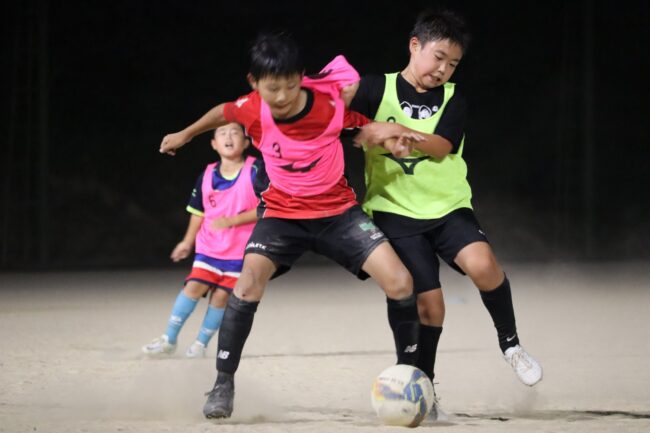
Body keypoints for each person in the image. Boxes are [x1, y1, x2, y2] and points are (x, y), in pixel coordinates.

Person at [160, 32, 425, 419]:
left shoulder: (330, 106)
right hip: (282, 215)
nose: (282, 96)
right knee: (246, 284)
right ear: (254, 83)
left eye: (289, 85)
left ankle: (409, 377)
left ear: (301, 77)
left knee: (401, 282)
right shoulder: (252, 109)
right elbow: (223, 112)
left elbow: (364, 131)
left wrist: (391, 142)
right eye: (272, 88)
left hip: (338, 213)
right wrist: (185, 134)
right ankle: (222, 384)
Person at [351, 7, 543, 415]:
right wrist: (365, 132)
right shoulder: (374, 88)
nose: (443, 69)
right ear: (414, 45)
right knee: (430, 305)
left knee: (484, 265)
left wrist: (396, 131)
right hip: (394, 213)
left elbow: (441, 147)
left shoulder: (454, 98)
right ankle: (425, 388)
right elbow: (344, 125)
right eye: (438, 57)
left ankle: (510, 344)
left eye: (453, 63)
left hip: (448, 206)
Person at [143, 123, 260, 358]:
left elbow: (267, 207)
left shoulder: (256, 170)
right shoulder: (206, 175)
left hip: (241, 251)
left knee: (222, 297)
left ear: (246, 142)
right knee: (193, 287)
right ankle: (168, 339)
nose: (228, 136)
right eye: (222, 133)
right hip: (209, 247)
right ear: (214, 144)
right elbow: (198, 212)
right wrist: (187, 242)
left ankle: (200, 345)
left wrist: (233, 221)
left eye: (235, 132)